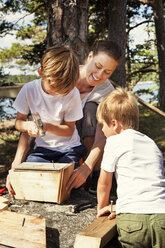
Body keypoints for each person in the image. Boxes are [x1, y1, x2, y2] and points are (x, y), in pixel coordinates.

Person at [6, 40, 123, 197]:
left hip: (73, 143)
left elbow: (103, 132)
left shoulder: (102, 92)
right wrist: (15, 167)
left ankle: (93, 175)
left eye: (107, 72)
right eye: (98, 66)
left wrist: (87, 166)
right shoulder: (61, 76)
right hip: (46, 144)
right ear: (90, 57)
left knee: (90, 110)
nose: (99, 75)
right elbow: (24, 125)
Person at [6, 45, 87, 196]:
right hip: (42, 150)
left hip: (69, 148)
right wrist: (27, 125)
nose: (58, 92)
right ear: (41, 73)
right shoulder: (29, 90)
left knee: (64, 183)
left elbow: (69, 130)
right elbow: (18, 122)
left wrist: (47, 127)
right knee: (29, 177)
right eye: (55, 86)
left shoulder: (72, 93)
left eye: (64, 88)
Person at [96, 87, 165, 248]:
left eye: (102, 125)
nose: (102, 130)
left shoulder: (114, 142)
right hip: (162, 215)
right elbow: (148, 185)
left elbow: (104, 183)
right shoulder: (152, 144)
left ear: (114, 124)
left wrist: (102, 208)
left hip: (133, 221)